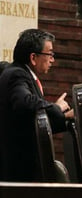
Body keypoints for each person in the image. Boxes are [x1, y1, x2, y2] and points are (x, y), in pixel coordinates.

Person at [0, 28, 74, 182]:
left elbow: (32, 121)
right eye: (50, 54)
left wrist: (66, 119)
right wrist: (57, 108)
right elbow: (25, 103)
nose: (52, 59)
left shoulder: (24, 75)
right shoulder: (16, 74)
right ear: (33, 57)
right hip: (17, 170)